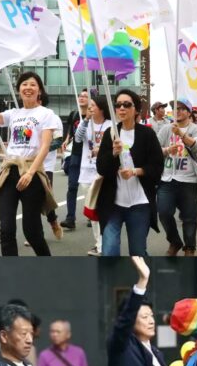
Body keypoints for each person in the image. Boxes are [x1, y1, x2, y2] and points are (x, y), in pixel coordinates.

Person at [0, 73, 60, 256]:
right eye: (24, 84)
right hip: (9, 172)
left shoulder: (47, 114)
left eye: (33, 84)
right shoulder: (13, 114)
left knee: (32, 232)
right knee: (6, 230)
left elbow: (45, 146)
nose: (28, 88)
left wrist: (30, 173)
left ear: (39, 90)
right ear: (19, 90)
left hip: (32, 173)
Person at [96, 89, 163, 256]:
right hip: (113, 204)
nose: (121, 108)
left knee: (137, 252)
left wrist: (135, 171)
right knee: (109, 251)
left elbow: (157, 167)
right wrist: (113, 153)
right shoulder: (110, 134)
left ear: (136, 109)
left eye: (126, 104)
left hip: (140, 204)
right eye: (118, 105)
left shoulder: (147, 134)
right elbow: (101, 168)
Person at [156, 100, 197, 256]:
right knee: (163, 212)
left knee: (189, 217)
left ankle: (189, 247)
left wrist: (181, 134)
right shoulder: (166, 129)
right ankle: (175, 241)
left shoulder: (196, 129)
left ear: (189, 112)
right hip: (167, 179)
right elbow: (155, 149)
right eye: (175, 108)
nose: (178, 111)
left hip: (189, 180)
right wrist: (167, 150)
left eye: (182, 109)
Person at [75, 95, 112, 256]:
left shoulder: (111, 125)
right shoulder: (85, 123)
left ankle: (107, 243)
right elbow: (77, 139)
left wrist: (102, 150)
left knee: (105, 210)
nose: (90, 108)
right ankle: (100, 244)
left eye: (93, 105)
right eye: (89, 106)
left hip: (104, 172)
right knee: (93, 211)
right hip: (87, 172)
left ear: (101, 108)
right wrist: (85, 120)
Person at [60, 89, 90, 231]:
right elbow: (71, 130)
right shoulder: (74, 114)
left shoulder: (94, 115)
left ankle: (92, 215)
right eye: (80, 96)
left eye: (85, 96)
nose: (82, 98)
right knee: (72, 186)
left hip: (90, 155)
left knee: (90, 187)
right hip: (76, 154)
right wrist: (67, 140)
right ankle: (70, 218)